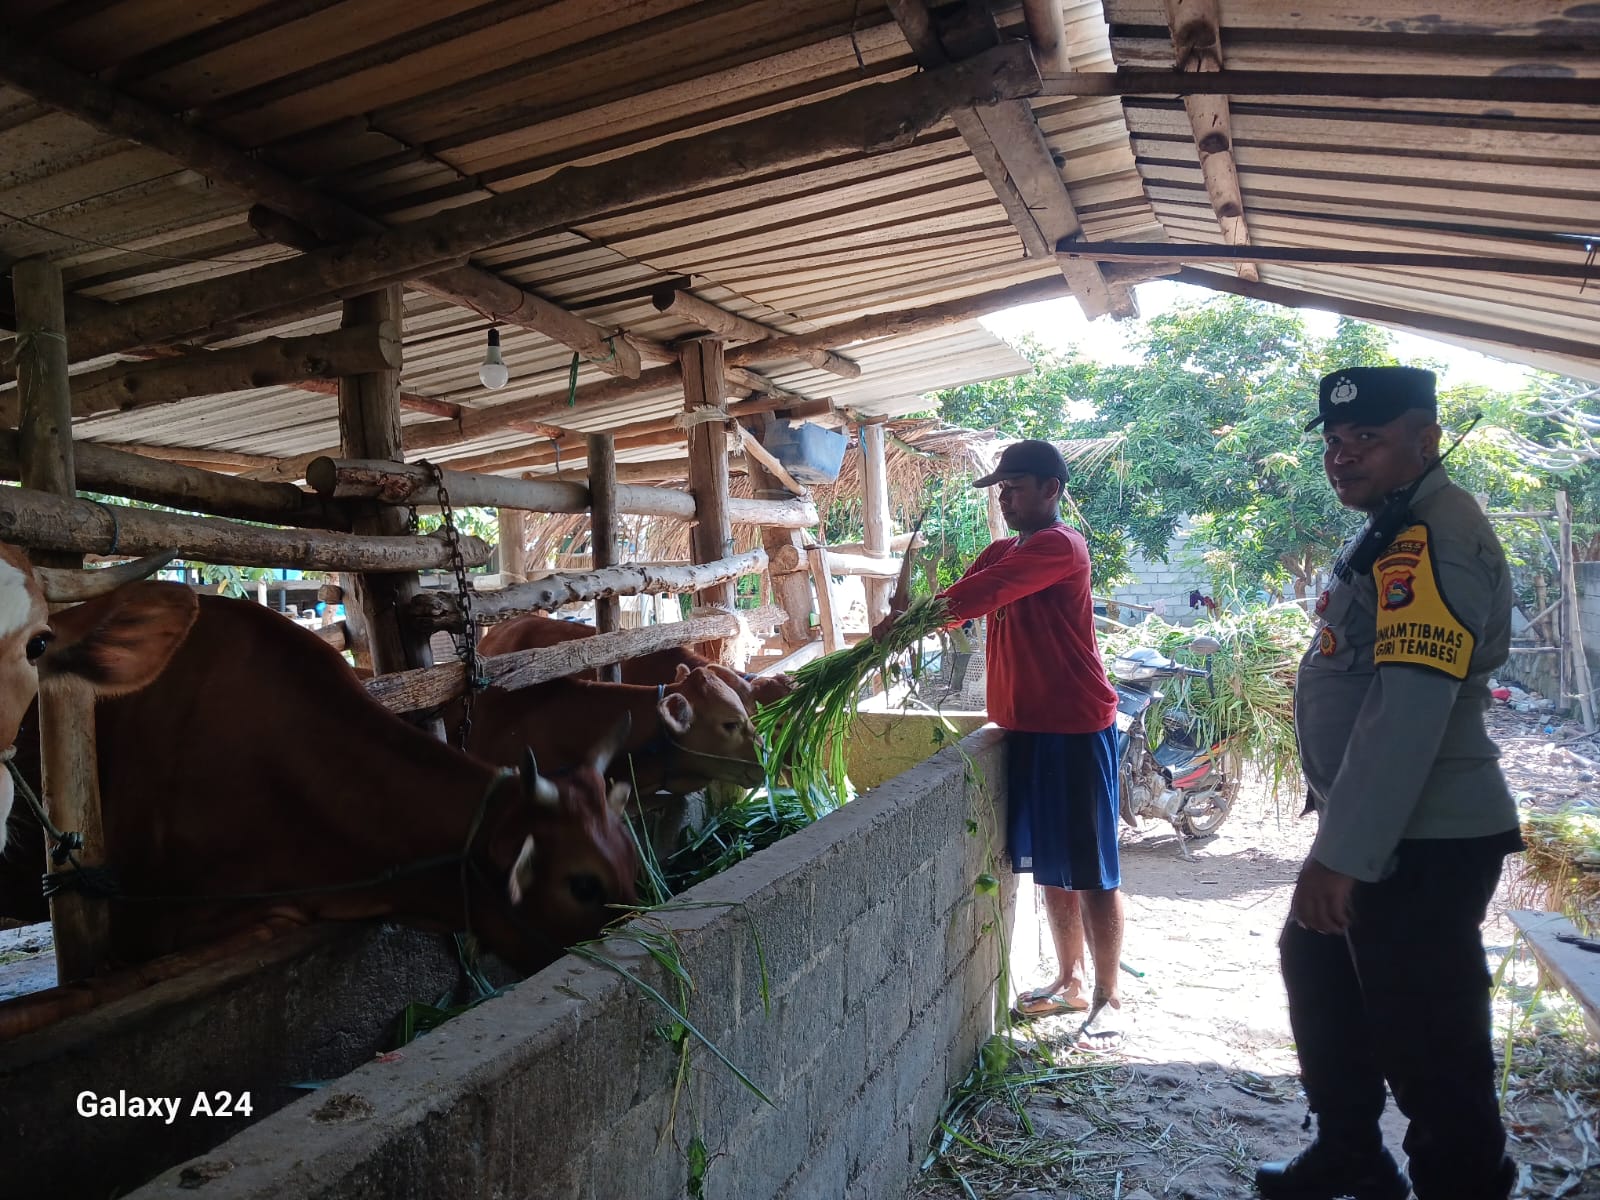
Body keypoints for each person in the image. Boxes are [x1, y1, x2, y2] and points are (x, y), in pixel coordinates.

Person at [1259, 367, 1522, 1200]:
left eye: (1366, 438)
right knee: (1319, 964)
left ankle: (1465, 1183)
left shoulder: (1434, 534)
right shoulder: (1393, 523)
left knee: (1427, 1034)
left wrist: (1342, 856)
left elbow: (1408, 707)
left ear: (1425, 438)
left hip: (1427, 832)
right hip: (1385, 824)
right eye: (1335, 442)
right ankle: (1352, 1151)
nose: (1342, 456)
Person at [875, 439, 1125, 1044]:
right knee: (1050, 864)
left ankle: (1107, 996)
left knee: (1091, 867)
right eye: (1000, 488)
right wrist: (902, 625)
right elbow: (961, 609)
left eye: (1015, 486)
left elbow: (974, 598)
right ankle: (1068, 979)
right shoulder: (999, 550)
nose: (1005, 497)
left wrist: (912, 618)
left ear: (1051, 490)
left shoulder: (1060, 547)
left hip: (1075, 726)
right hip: (1027, 729)